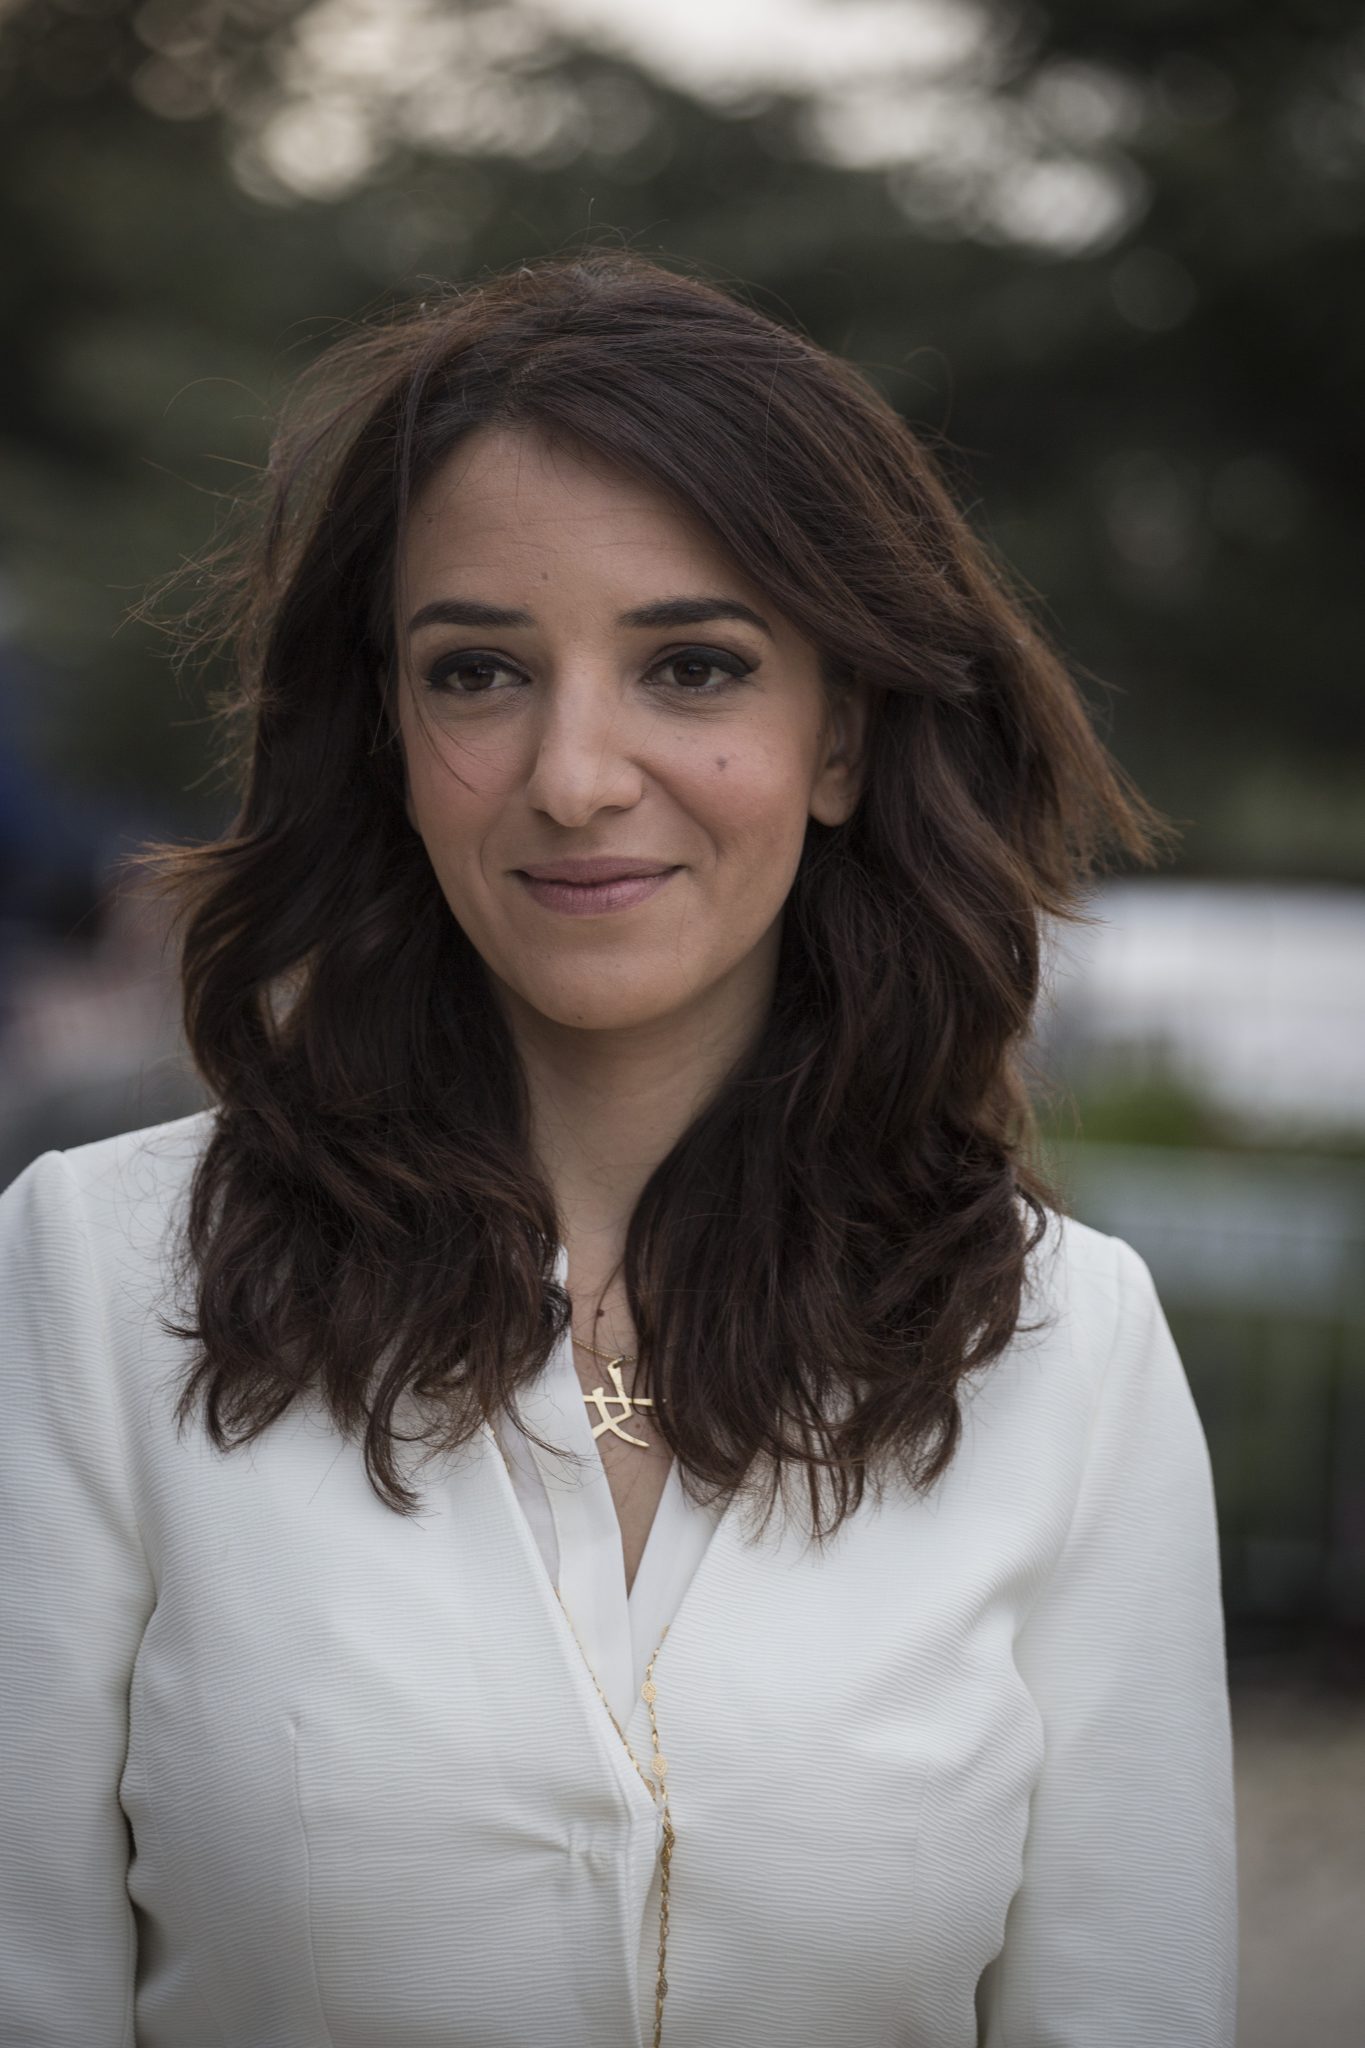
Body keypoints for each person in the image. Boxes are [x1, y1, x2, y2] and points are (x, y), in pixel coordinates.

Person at [0, 249, 1237, 2047]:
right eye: (481, 669)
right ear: (395, 735)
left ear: (842, 733)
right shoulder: (96, 1282)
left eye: (692, 666)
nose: (574, 773)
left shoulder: (1068, 1343)